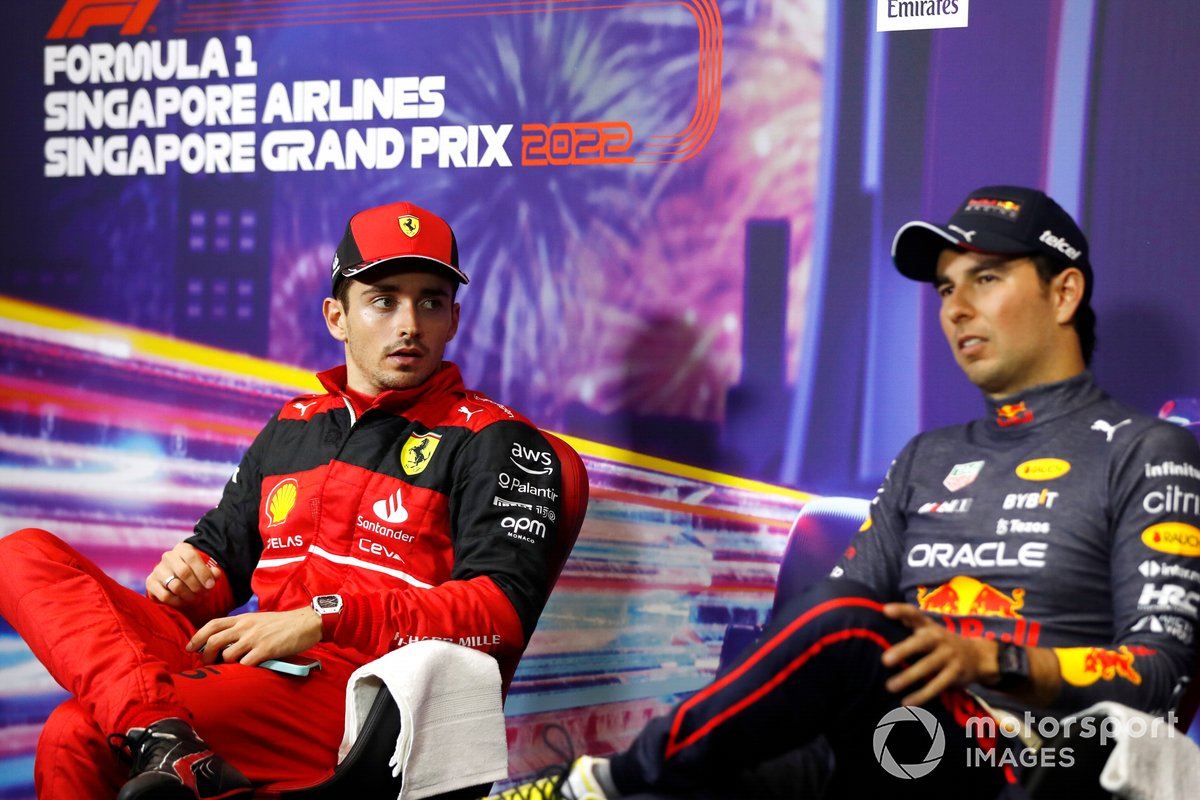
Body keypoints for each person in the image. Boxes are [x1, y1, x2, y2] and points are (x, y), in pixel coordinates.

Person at [494, 185, 1200, 798]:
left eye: (985, 278)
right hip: (881, 742)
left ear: (1064, 292)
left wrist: (993, 660)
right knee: (699, 774)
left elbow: (1158, 674)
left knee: (849, 625)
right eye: (947, 288)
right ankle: (634, 781)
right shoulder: (928, 456)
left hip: (1024, 756)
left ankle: (600, 778)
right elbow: (823, 628)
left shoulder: (1148, 450)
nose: (955, 309)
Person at [0, 201, 565, 799]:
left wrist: (321, 618)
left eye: (430, 301)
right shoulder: (292, 426)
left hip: (358, 693)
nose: (409, 324)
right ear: (336, 317)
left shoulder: (495, 439)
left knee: (75, 731)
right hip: (238, 665)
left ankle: (158, 731)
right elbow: (217, 565)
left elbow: (497, 618)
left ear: (452, 319)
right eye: (383, 299)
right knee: (21, 554)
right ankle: (164, 734)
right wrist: (189, 578)